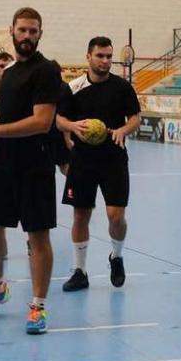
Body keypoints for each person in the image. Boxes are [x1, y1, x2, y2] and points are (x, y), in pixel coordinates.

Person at [0, 7, 60, 335]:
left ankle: (37, 306)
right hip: (3, 162)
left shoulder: (46, 71)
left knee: (37, 236)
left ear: (40, 34)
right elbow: (5, 93)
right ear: (12, 31)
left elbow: (42, 121)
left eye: (34, 31)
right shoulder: (15, 70)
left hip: (35, 163)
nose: (28, 36)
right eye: (23, 30)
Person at [59, 37, 141, 292]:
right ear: (88, 57)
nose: (105, 61)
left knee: (116, 217)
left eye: (109, 57)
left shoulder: (122, 87)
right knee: (81, 215)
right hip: (82, 160)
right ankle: (80, 271)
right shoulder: (72, 88)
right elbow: (59, 119)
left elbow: (135, 117)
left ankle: (116, 257)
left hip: (114, 158)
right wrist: (72, 126)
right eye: (100, 56)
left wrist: (123, 131)